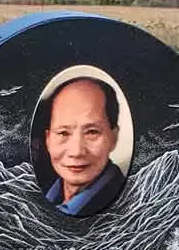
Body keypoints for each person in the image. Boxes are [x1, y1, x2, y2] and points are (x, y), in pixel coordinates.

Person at [43, 78, 125, 217]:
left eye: (92, 132)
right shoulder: (43, 196)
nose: (76, 152)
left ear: (114, 137)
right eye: (63, 133)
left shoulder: (125, 202)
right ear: (48, 139)